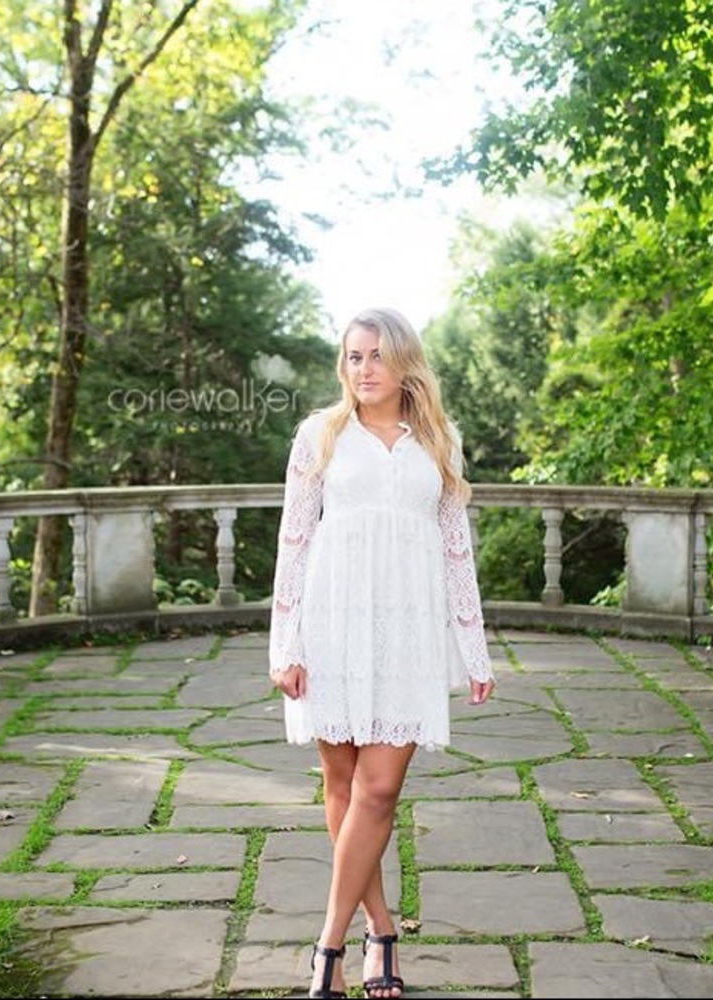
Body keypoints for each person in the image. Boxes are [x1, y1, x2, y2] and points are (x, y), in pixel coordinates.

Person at [268, 306, 495, 1000]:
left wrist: (474, 649)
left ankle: (327, 949)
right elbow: (295, 539)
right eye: (352, 357)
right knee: (343, 787)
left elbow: (457, 548)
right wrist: (286, 643)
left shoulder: (441, 442)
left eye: (373, 356)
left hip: (409, 633)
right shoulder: (320, 435)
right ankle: (380, 933)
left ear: (403, 362)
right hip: (332, 628)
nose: (361, 370)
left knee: (380, 788)